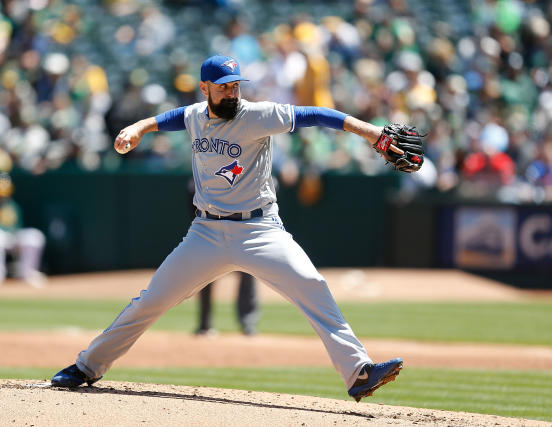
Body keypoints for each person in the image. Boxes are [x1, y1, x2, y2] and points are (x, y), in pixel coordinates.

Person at [51, 55, 405, 402]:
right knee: (150, 300)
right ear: (205, 88)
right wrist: (138, 128)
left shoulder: (258, 114)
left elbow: (317, 114)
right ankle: (87, 366)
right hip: (206, 232)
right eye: (223, 88)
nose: (232, 93)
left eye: (235, 86)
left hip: (260, 230)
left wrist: (373, 133)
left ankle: (358, 372)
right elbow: (171, 118)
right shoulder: (194, 115)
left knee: (312, 286)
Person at [187, 177, 260, 336]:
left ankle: (248, 323)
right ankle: (205, 324)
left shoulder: (246, 173)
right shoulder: (201, 175)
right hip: (210, 231)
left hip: (241, 231)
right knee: (205, 277)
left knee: (248, 274)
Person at [0, 173, 46, 288]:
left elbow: (18, 226)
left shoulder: (13, 206)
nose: (1, 196)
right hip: (0, 238)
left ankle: (28, 273)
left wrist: (14, 235)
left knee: (35, 236)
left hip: (14, 237)